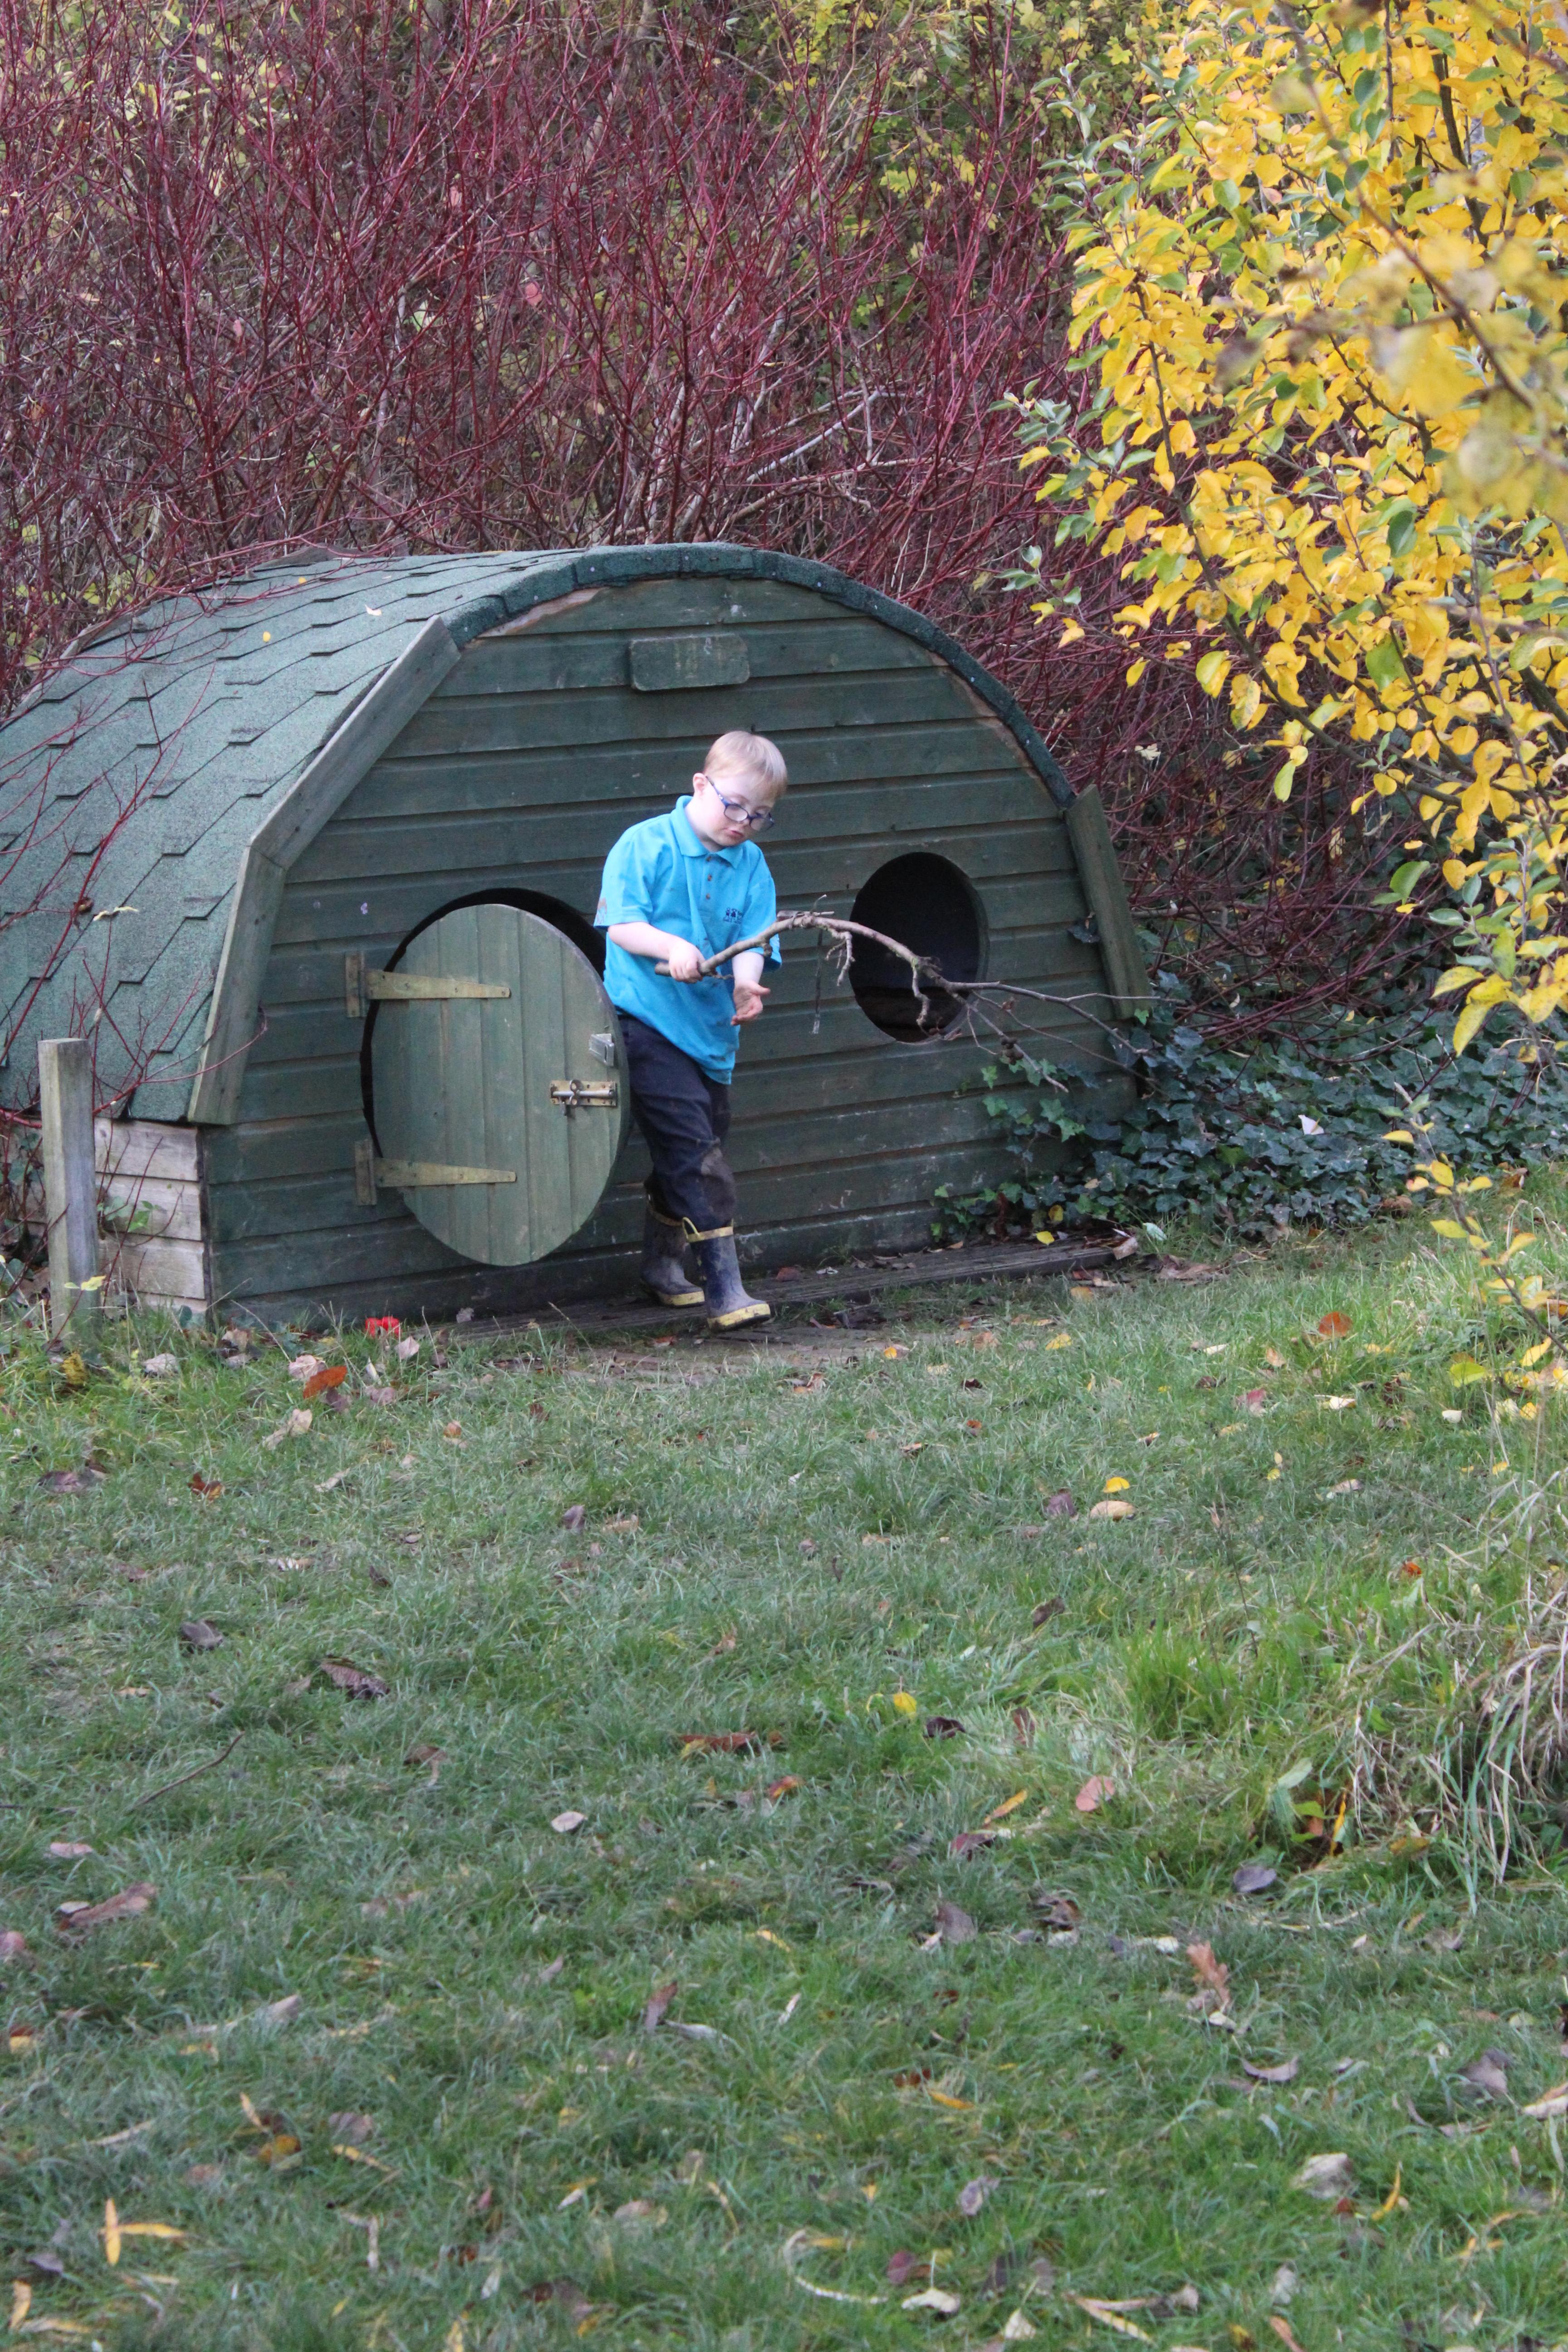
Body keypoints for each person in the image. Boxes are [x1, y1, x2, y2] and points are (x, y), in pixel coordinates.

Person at [595, 730, 787, 1329]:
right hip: (646, 1026)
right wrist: (672, 946)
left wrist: (746, 984)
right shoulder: (645, 844)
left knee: (693, 1148)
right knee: (698, 1157)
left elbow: (755, 939)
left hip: (712, 1039)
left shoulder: (751, 865)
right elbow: (622, 925)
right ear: (701, 785)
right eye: (735, 806)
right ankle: (725, 1292)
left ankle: (661, 1267)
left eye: (760, 816)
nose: (744, 823)